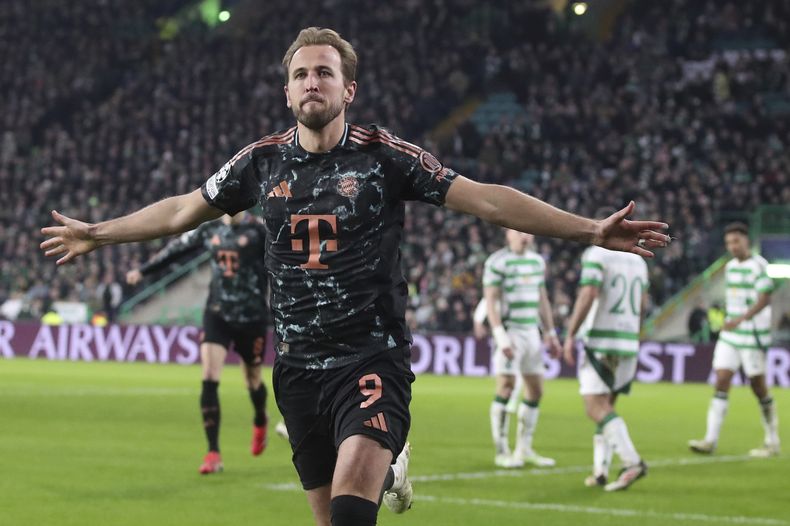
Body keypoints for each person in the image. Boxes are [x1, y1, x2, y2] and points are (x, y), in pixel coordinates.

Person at [40, 27, 669, 526]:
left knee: (349, 514)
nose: (312, 82)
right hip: (298, 370)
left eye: (324, 72)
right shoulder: (258, 164)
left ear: (349, 90)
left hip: (371, 358)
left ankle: (383, 451)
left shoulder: (385, 156)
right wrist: (98, 233)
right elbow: (181, 210)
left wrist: (589, 229)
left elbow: (485, 198)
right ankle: (391, 464)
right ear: (287, 93)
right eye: (300, 74)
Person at [126, 211, 271, 474]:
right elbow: (176, 249)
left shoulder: (259, 231)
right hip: (217, 312)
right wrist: (144, 270)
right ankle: (213, 452)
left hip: (252, 316)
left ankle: (260, 418)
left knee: (252, 379)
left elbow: (282, 261)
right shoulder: (209, 229)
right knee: (209, 375)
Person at [561, 211, 650, 491]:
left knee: (594, 407)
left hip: (600, 339)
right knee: (608, 407)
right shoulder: (639, 259)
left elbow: (588, 294)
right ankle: (600, 470)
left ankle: (632, 462)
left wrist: (571, 333)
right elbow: (643, 303)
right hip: (627, 340)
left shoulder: (597, 255)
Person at [688, 222, 779, 457]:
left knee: (758, 387)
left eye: (736, 241)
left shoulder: (759, 266)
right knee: (721, 379)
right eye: (729, 243)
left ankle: (772, 440)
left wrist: (740, 319)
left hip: (753, 335)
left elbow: (764, 299)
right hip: (731, 336)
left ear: (746, 241)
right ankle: (710, 440)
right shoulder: (729, 268)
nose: (732, 246)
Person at [481, 229, 560, 468]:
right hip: (511, 332)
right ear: (507, 234)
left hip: (531, 334)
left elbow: (542, 299)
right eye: (519, 232)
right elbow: (491, 301)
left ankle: (524, 449)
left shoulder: (537, 262)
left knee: (535, 391)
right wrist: (501, 337)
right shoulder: (497, 262)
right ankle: (502, 451)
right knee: (506, 387)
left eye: (528, 233)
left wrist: (550, 333)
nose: (524, 236)